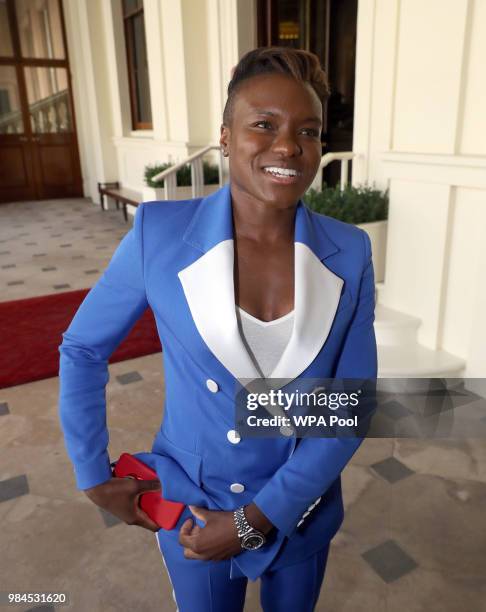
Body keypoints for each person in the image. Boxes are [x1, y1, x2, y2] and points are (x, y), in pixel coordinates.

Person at [58, 47, 377, 612]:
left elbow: (350, 407)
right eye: (264, 125)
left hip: (300, 509)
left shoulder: (349, 252)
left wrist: (256, 521)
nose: (288, 146)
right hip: (193, 507)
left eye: (308, 130)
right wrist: (91, 472)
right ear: (226, 136)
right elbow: (83, 348)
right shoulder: (158, 234)